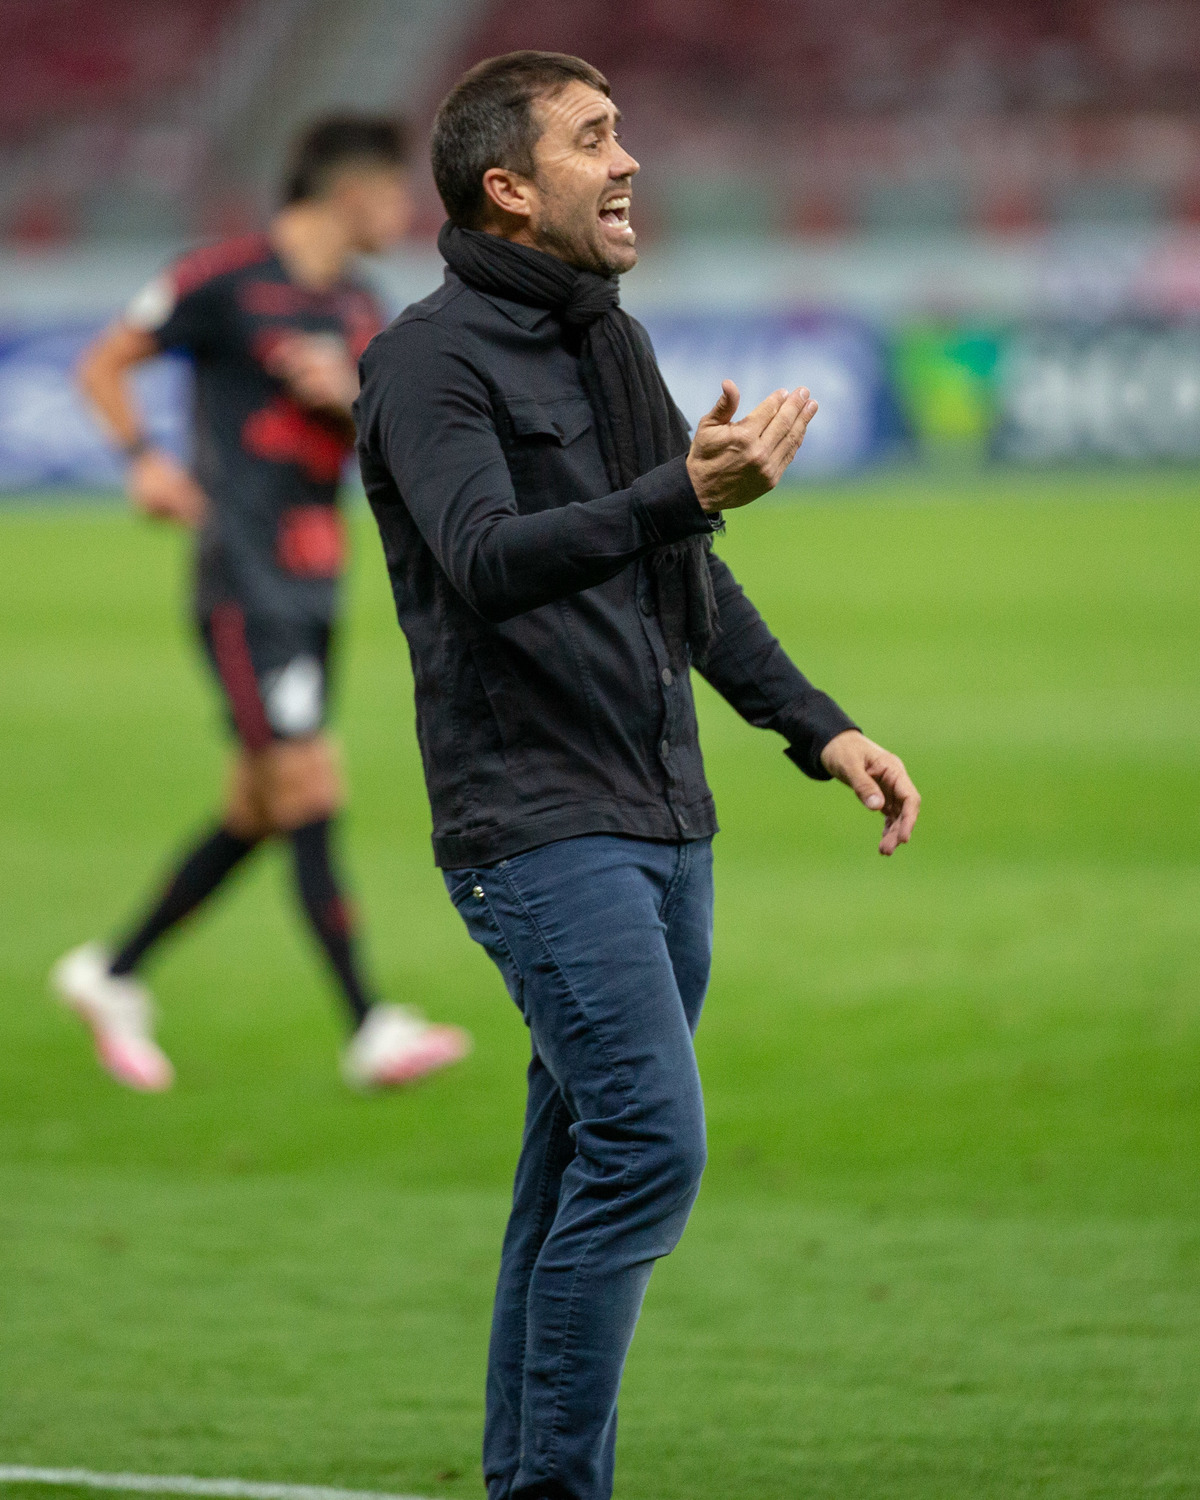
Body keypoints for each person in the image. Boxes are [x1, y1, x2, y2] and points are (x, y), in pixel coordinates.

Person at [354, 51, 921, 1500]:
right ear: (508, 187)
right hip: (536, 822)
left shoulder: (611, 341)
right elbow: (485, 560)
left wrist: (817, 726)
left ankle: (530, 1480)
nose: (629, 162)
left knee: (575, 1166)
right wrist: (680, 488)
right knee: (650, 1144)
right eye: (594, 138)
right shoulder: (426, 361)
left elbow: (682, 575)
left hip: (666, 815)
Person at [52, 115, 471, 1094]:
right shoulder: (222, 279)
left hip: (317, 580)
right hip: (243, 584)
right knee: (309, 784)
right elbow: (103, 363)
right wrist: (143, 462)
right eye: (396, 193)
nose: (406, 213)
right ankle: (368, 1024)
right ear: (352, 192)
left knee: (259, 804)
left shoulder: (362, 306)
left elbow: (388, 444)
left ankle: (112, 974)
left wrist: (350, 401)